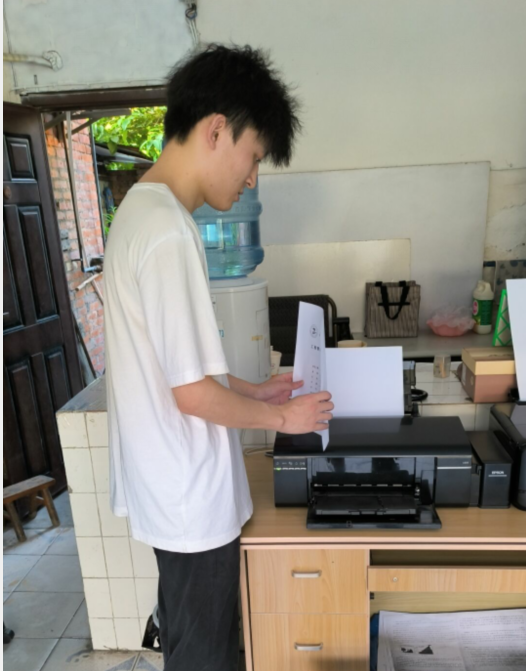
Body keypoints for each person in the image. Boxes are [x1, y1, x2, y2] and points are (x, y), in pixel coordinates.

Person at [104, 44, 333, 671]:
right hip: (190, 503)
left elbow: (179, 366)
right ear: (215, 130)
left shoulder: (140, 213)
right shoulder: (168, 232)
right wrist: (285, 419)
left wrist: (256, 392)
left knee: (192, 646)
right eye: (254, 156)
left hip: (171, 495)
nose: (252, 178)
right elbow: (192, 394)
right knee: (205, 659)